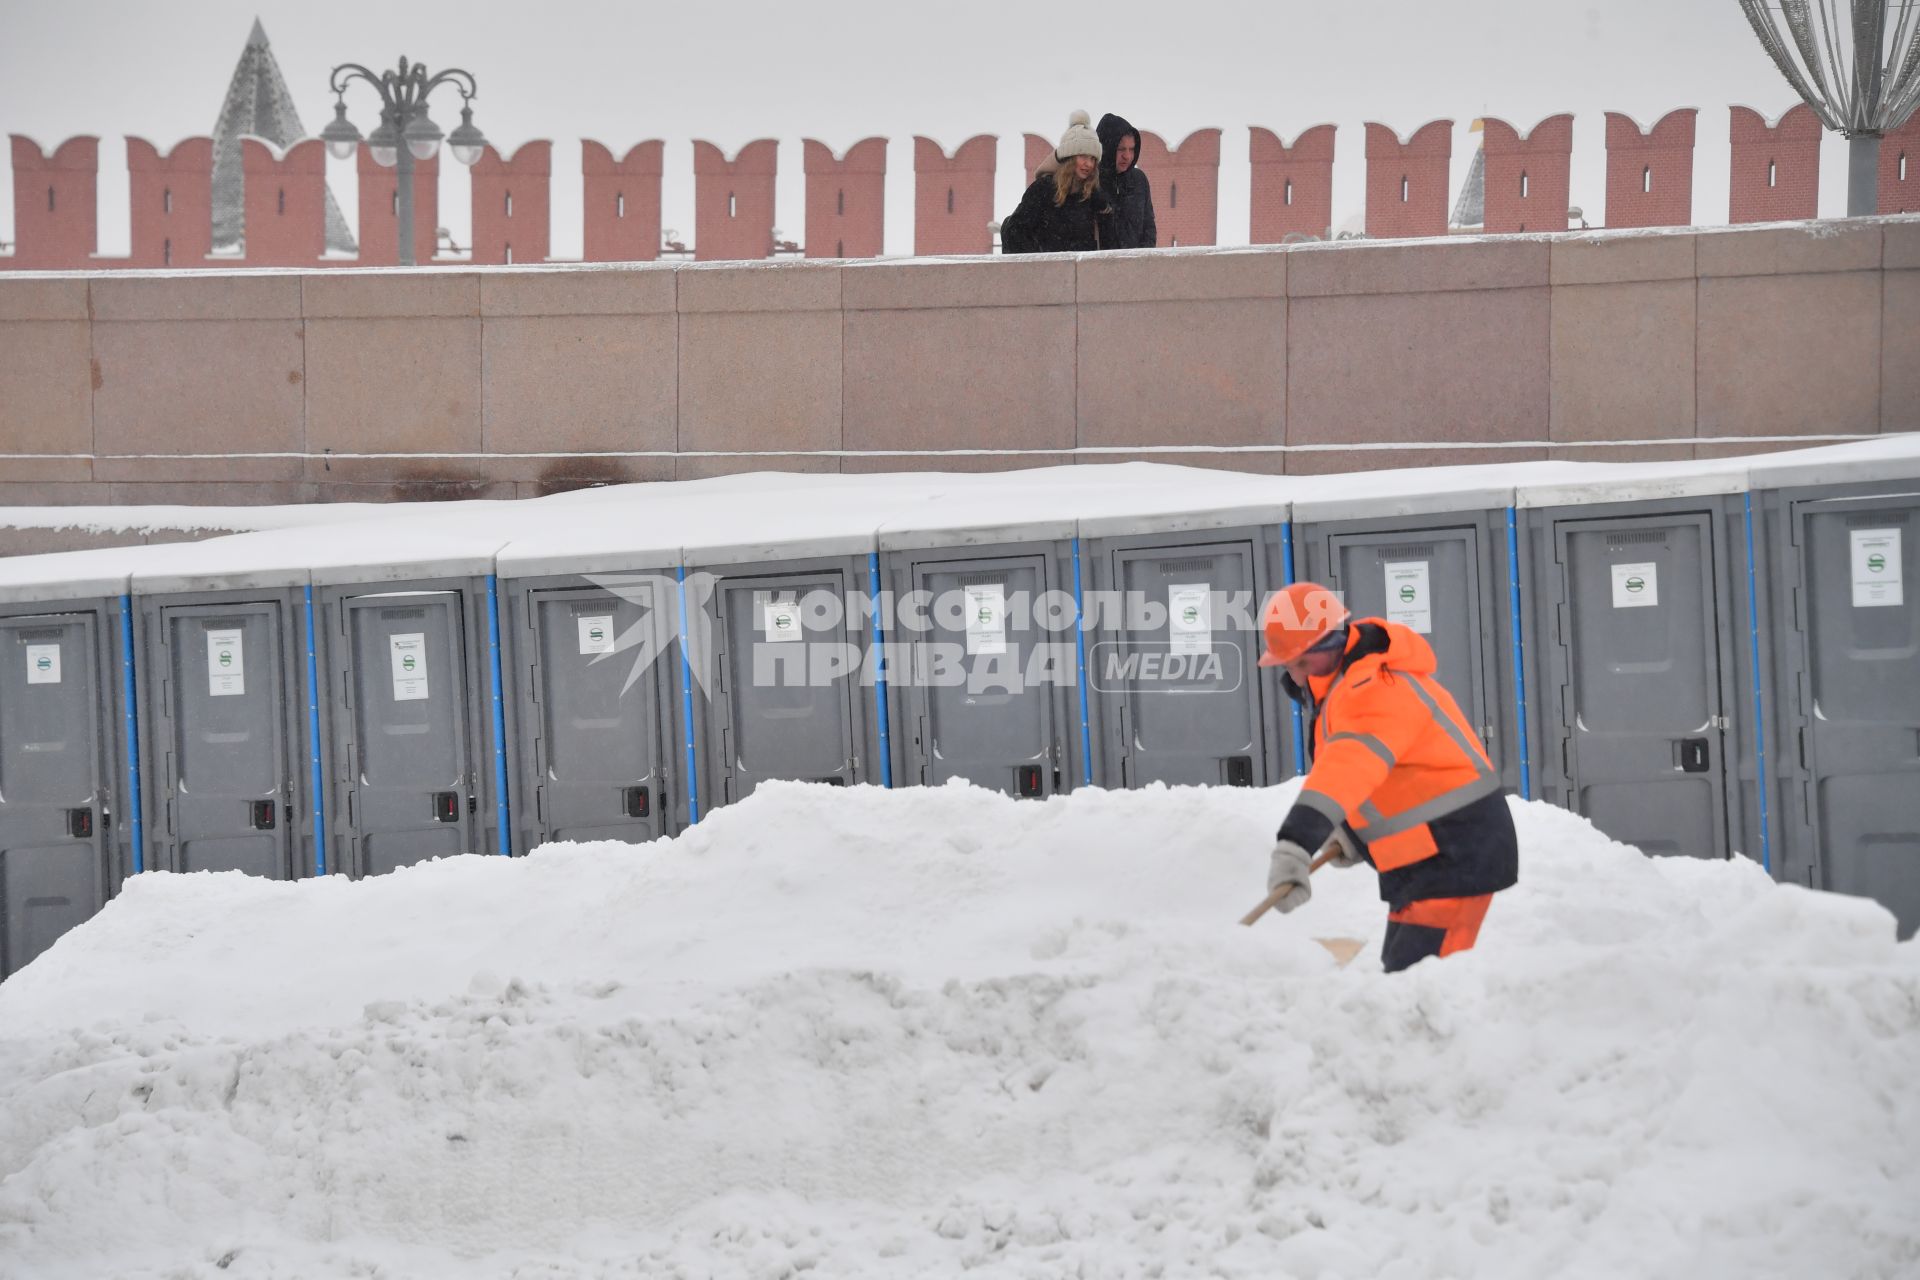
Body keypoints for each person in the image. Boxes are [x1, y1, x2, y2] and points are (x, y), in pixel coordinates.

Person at [1258, 582, 1519, 973]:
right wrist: (1355, 834)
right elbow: (1395, 774)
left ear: (1325, 649)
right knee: (1401, 977)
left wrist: (1296, 843)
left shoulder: (1371, 689)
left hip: (1454, 851)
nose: (1294, 678)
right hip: (1429, 856)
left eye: (1296, 664)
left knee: (1420, 988)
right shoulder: (1350, 686)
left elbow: (1347, 767)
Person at [1000, 111, 1113, 254]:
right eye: (1083, 156)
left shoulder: (1093, 196)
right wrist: (1042, 263)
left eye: (1092, 159)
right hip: (1046, 273)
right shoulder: (1043, 189)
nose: (1088, 164)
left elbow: (1104, 245)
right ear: (1069, 157)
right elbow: (1016, 231)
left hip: (1082, 275)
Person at [1095, 113, 1156, 249]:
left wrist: (1142, 258)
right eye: (1121, 149)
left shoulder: (1139, 180)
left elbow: (1149, 227)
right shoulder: (1091, 182)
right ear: (1106, 148)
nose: (1127, 156)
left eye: (1132, 149)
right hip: (1101, 266)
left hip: (1136, 266)